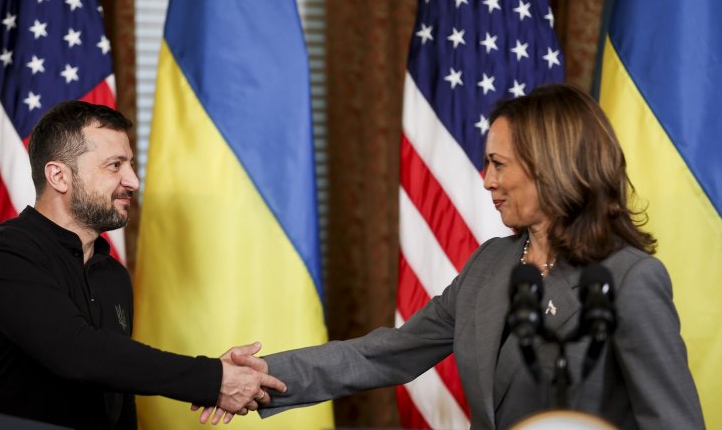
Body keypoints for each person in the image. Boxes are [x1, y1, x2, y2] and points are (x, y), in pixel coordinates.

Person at [198, 84, 705, 429]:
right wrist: (257, 375)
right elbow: (385, 354)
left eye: (498, 164)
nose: (486, 181)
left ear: (553, 167)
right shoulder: (490, 264)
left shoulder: (631, 278)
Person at [0, 101, 283, 429]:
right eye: (115, 165)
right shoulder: (3, 255)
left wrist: (217, 377)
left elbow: (118, 387)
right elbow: (78, 353)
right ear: (58, 176)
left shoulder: (112, 274)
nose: (133, 181)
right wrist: (212, 379)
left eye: (130, 165)